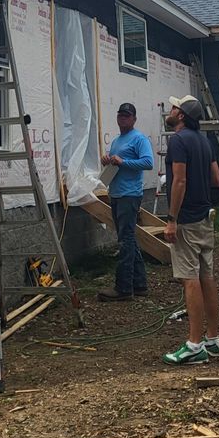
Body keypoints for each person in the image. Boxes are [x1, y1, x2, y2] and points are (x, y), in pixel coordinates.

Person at [161, 94, 219, 365]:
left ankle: (194, 345)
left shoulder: (179, 140)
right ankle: (213, 339)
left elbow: (179, 182)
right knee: (206, 277)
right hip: (205, 218)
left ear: (182, 115)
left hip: (186, 220)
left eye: (174, 107)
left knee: (190, 279)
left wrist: (172, 218)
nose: (170, 110)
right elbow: (217, 180)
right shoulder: (204, 142)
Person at [98, 103, 154, 302]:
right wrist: (107, 160)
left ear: (134, 119)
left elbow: (148, 162)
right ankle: (139, 285)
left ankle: (123, 288)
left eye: (127, 116)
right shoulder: (117, 141)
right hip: (117, 194)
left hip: (130, 195)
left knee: (126, 241)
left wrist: (123, 162)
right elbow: (116, 163)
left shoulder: (139, 139)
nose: (123, 119)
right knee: (128, 238)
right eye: (120, 115)